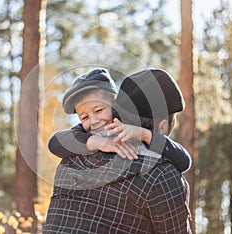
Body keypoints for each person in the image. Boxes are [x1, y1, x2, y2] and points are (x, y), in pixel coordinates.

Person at [43, 68, 192, 233]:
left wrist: (145, 135)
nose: (94, 121)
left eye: (99, 110)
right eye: (84, 117)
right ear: (163, 126)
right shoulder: (160, 173)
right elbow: (54, 142)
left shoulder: (71, 158)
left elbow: (183, 158)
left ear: (116, 106)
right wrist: (97, 141)